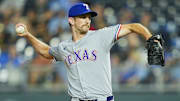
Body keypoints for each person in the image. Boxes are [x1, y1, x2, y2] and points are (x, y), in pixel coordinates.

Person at [16, 2, 152, 101]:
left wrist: (150, 38)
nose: (87, 20)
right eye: (82, 17)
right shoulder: (64, 47)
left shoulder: (101, 35)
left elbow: (134, 26)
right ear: (71, 20)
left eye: (88, 17)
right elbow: (46, 51)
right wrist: (28, 35)